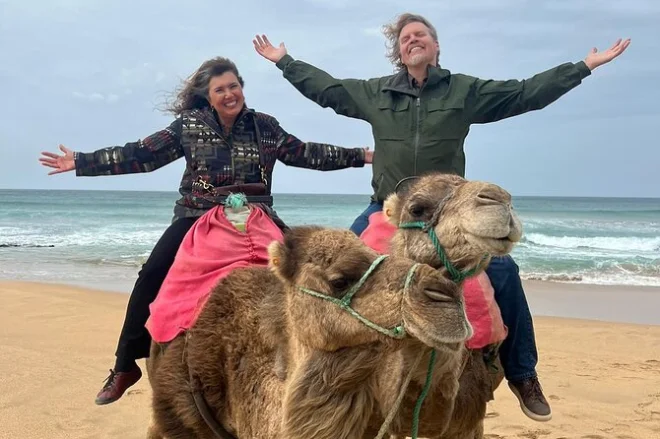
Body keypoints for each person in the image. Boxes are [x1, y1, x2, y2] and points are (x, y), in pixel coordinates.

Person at [253, 12, 630, 422]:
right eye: (405, 38)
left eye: (421, 35)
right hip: (387, 207)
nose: (412, 40)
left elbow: (524, 94)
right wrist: (285, 61)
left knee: (504, 272)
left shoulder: (463, 91)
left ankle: (523, 373)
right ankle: (302, 360)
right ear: (399, 53)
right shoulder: (376, 93)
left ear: (435, 47)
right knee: (334, 271)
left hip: (445, 212)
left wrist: (582, 67)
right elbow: (328, 90)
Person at [39, 56, 372, 405]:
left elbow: (305, 153)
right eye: (220, 90)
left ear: (242, 87)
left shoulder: (265, 127)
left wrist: (360, 156)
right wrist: (81, 161)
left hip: (256, 214)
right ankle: (124, 365)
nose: (229, 94)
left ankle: (334, 357)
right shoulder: (189, 126)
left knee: (311, 271)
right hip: (198, 213)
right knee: (151, 274)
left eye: (233, 86)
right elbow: (141, 154)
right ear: (208, 96)